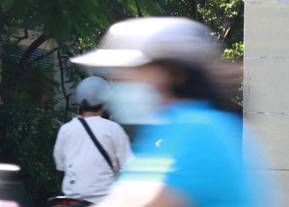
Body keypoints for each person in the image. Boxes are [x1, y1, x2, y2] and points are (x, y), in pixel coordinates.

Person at [72, 17, 276, 207]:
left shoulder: (198, 130)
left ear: (172, 73)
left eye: (131, 72)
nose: (121, 83)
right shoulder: (164, 133)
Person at [53, 76, 132, 205]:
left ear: (80, 103)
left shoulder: (65, 129)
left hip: (72, 202)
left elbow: (61, 165)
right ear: (105, 103)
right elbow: (128, 165)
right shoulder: (114, 129)